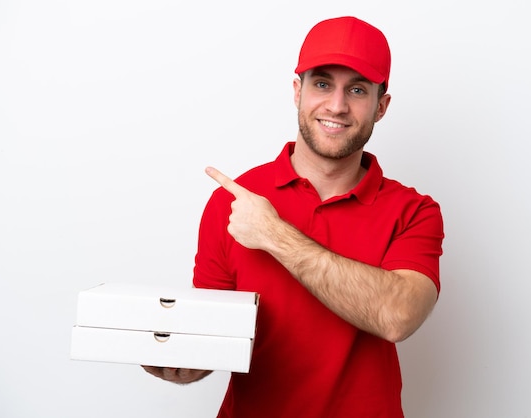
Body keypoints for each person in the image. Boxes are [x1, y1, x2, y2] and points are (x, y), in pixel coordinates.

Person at [143, 16, 444, 418]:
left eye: (357, 89)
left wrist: (274, 235)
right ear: (297, 91)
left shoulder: (414, 211)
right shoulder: (234, 201)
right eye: (322, 84)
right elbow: (212, 335)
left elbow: (397, 317)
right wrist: (183, 364)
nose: (337, 106)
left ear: (381, 106)